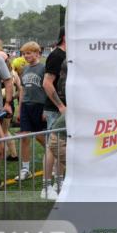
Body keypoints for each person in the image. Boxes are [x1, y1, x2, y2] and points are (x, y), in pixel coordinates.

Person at [41, 29, 67, 200]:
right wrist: (60, 106)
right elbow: (47, 82)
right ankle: (46, 186)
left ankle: (59, 183)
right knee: (52, 148)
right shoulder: (57, 55)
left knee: (61, 147)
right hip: (56, 109)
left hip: (66, 109)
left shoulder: (69, 55)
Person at [16, 42, 47, 183]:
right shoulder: (25, 69)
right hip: (26, 106)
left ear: (37, 53)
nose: (26, 56)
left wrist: (46, 108)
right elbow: (22, 89)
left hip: (39, 106)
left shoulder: (43, 68)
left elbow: (47, 89)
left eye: (29, 53)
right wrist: (19, 107)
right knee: (24, 137)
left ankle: (56, 158)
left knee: (41, 137)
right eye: (24, 53)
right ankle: (25, 169)